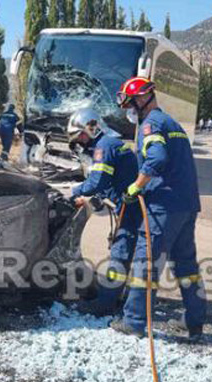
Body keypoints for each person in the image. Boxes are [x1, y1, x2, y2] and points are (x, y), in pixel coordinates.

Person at [111, 77, 206, 341]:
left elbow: (157, 158)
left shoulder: (150, 124)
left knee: (146, 264)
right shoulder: (172, 123)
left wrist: (136, 186)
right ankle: (194, 322)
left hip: (163, 207)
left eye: (130, 105)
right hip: (186, 206)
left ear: (142, 99)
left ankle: (134, 321)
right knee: (186, 266)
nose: (129, 111)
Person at [68, 108, 141, 316]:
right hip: (128, 205)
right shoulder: (109, 144)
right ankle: (118, 296)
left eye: (80, 136)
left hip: (131, 208)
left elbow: (97, 181)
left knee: (120, 252)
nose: (80, 141)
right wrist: (97, 199)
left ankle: (106, 304)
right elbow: (110, 180)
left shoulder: (103, 147)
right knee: (124, 251)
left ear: (90, 129)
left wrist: (74, 192)